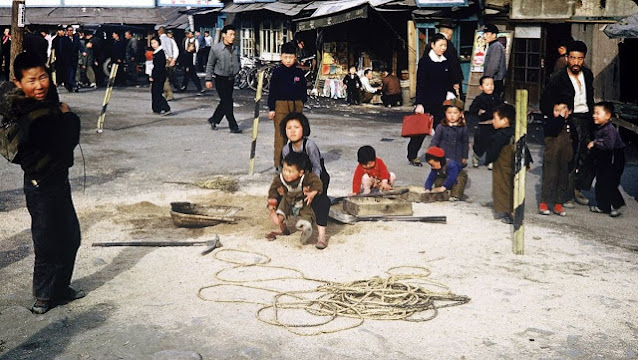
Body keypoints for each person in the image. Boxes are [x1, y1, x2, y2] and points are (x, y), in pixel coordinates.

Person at [6, 52, 84, 314]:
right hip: (41, 184)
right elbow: (66, 140)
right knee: (47, 240)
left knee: (70, 236)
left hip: (58, 179)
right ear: (18, 83)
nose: (39, 85)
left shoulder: (44, 101)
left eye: (42, 77)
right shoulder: (30, 113)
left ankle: (60, 289)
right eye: (31, 80)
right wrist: (68, 116)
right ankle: (43, 295)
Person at [540, 40, 595, 207]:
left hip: (587, 118)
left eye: (579, 58)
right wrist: (556, 111)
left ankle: (578, 188)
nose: (576, 62)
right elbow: (544, 103)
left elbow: (589, 97)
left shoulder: (588, 74)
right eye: (572, 58)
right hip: (570, 120)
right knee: (571, 156)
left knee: (589, 156)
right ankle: (567, 194)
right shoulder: (558, 78)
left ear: (583, 58)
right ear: (567, 58)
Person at [279, 113, 331, 249]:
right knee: (279, 197)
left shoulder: (310, 146)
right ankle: (282, 228)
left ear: (304, 129)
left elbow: (317, 167)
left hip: (317, 178)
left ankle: (321, 236)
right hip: (298, 181)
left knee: (321, 202)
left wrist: (314, 189)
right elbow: (285, 170)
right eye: (289, 128)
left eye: (296, 127)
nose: (292, 131)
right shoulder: (286, 149)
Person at [411, 33, 454, 166]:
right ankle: (412, 155)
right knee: (420, 131)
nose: (443, 48)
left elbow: (448, 81)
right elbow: (420, 84)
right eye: (440, 45)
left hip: (441, 103)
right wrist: (419, 103)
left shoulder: (446, 62)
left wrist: (450, 93)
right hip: (426, 102)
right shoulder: (425, 62)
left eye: (445, 45)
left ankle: (440, 156)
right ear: (432, 45)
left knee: (443, 130)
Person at [485, 104, 532, 224]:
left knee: (501, 186)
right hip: (513, 160)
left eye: (495, 119)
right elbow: (523, 147)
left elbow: (493, 150)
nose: (493, 122)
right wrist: (527, 162)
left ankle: (505, 211)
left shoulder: (499, 135)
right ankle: (513, 209)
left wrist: (488, 159)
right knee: (513, 185)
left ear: (504, 120)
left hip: (501, 162)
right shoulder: (516, 132)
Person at [267, 152, 324, 245]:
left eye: (290, 172)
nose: (286, 174)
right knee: (277, 218)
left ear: (301, 172)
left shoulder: (306, 177)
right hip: (287, 202)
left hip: (303, 202)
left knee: (307, 215)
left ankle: (306, 230)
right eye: (285, 170)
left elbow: (318, 183)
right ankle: (282, 227)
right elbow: (273, 190)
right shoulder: (280, 178)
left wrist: (313, 192)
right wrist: (272, 203)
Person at [268, 41, 307, 169]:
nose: (288, 60)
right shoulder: (277, 73)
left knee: (297, 134)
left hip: (296, 105)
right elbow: (272, 91)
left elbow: (303, 88)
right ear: (281, 57)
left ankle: (297, 162)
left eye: (291, 57)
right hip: (281, 105)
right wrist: (271, 108)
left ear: (295, 57)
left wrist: (302, 101)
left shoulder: (299, 73)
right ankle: (278, 163)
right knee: (281, 135)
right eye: (286, 57)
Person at [539, 98, 577, 216]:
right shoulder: (551, 122)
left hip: (565, 157)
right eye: (556, 110)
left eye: (563, 110)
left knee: (562, 181)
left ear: (569, 111)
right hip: (551, 157)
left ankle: (558, 204)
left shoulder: (571, 125)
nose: (559, 112)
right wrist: (560, 117)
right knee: (549, 179)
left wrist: (573, 157)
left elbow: (575, 141)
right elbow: (553, 128)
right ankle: (544, 203)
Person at [587, 102, 626, 217]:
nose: (594, 115)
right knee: (600, 182)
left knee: (609, 182)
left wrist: (595, 143)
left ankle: (617, 205)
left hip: (614, 158)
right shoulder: (600, 127)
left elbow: (609, 144)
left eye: (598, 113)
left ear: (608, 116)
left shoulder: (609, 129)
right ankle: (603, 206)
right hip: (604, 158)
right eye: (594, 113)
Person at [205, 25, 242, 134]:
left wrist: (237, 70)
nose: (233, 37)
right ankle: (233, 126)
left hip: (231, 78)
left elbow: (237, 61)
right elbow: (210, 64)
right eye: (230, 34)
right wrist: (208, 79)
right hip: (220, 78)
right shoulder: (216, 49)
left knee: (225, 101)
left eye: (234, 34)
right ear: (224, 35)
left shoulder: (235, 48)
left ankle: (214, 119)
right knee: (228, 102)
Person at [469, 75, 503, 168]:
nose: (490, 87)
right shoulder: (479, 98)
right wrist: (478, 111)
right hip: (483, 124)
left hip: (494, 124)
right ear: (481, 87)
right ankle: (476, 156)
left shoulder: (496, 97)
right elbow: (472, 109)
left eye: (492, 84)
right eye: (487, 85)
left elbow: (502, 107)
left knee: (493, 142)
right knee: (481, 143)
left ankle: (490, 160)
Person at [429, 100, 469, 167]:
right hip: (443, 155)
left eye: (455, 113)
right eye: (449, 113)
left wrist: (464, 156)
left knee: (456, 174)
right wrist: (431, 152)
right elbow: (435, 140)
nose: (452, 115)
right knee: (441, 174)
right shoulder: (441, 127)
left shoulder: (463, 128)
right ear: (445, 113)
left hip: (457, 156)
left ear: (461, 114)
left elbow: (465, 143)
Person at [482, 24, 507, 98]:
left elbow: (493, 66)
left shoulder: (496, 46)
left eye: (487, 34)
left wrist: (486, 80)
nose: (484, 36)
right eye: (484, 34)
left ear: (494, 35)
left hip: (494, 81)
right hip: (493, 80)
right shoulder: (493, 46)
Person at [149, 38, 171, 116]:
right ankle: (156, 108)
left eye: (155, 43)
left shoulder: (160, 53)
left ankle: (166, 108)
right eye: (152, 43)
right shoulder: (156, 53)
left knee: (157, 92)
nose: (153, 45)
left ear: (158, 43)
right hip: (157, 75)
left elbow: (159, 67)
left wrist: (153, 76)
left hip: (160, 75)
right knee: (154, 92)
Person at [51, 26, 73, 91]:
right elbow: (53, 49)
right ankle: (57, 83)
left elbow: (70, 48)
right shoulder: (55, 40)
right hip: (58, 58)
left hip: (66, 58)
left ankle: (68, 85)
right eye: (62, 31)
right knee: (58, 72)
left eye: (63, 31)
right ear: (58, 31)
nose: (63, 32)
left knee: (66, 72)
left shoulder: (66, 39)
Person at [157, 27, 175, 101]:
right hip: (168, 58)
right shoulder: (169, 39)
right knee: (165, 77)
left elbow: (166, 48)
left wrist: (170, 57)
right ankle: (167, 93)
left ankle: (169, 94)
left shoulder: (163, 39)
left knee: (164, 77)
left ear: (159, 32)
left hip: (164, 59)